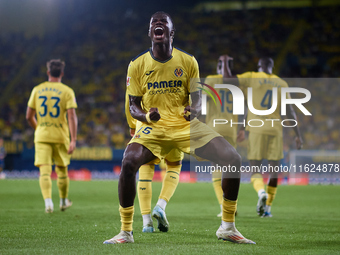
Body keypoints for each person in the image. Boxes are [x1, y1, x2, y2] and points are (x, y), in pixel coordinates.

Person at [103, 11, 255, 244]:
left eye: (163, 22)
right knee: (128, 161)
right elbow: (133, 106)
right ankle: (125, 231)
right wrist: (146, 115)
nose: (158, 24)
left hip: (185, 126)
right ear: (150, 32)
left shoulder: (188, 61)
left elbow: (197, 98)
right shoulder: (136, 65)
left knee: (232, 158)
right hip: (153, 129)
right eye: (154, 22)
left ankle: (227, 227)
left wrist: (194, 109)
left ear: (171, 32)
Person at [224, 56, 303, 217]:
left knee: (255, 169)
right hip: (275, 129)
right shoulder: (281, 83)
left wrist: (225, 62)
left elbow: (227, 80)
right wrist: (298, 135)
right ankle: (267, 208)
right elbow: (290, 111)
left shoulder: (252, 77)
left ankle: (261, 192)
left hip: (256, 129)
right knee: (274, 171)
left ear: (259, 65)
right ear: (271, 67)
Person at [125, 93, 183, 233]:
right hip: (173, 123)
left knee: (145, 168)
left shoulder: (139, 72)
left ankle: (147, 223)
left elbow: (130, 102)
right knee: (174, 165)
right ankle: (161, 206)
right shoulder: (179, 71)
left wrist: (132, 125)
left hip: (147, 123)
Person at [26, 59, 78, 213]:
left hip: (42, 136)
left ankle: (48, 203)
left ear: (48, 72)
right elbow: (71, 116)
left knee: (45, 171)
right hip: (60, 136)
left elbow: (29, 116)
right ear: (62, 73)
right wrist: (73, 139)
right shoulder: (67, 91)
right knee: (62, 170)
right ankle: (63, 201)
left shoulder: (37, 89)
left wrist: (39, 129)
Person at [204, 55, 241, 217]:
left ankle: (223, 206)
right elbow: (242, 108)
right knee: (231, 166)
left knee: (216, 166)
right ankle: (232, 205)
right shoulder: (236, 83)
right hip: (232, 128)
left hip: (214, 126)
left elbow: (203, 101)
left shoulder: (211, 79)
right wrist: (242, 128)